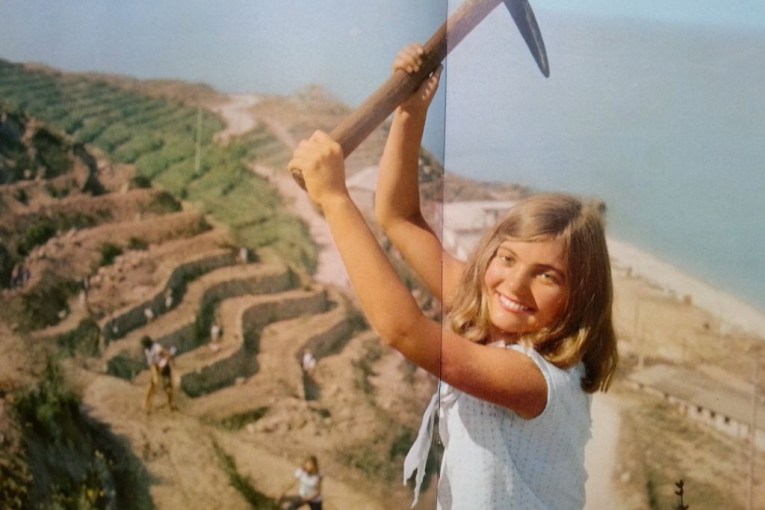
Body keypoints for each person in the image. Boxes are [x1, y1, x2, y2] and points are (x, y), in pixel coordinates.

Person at [287, 44, 617, 509]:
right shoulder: (497, 311)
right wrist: (410, 112)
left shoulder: (536, 378)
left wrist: (335, 199)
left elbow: (404, 331)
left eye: (547, 276)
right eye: (507, 259)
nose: (514, 285)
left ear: (581, 297)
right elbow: (400, 217)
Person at [141, 335, 177, 413]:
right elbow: (151, 364)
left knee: (168, 387)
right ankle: (147, 404)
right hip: (156, 367)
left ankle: (171, 404)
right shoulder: (147, 351)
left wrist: (169, 361)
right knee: (153, 385)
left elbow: (166, 354)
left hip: (164, 367)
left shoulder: (156, 348)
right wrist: (155, 372)